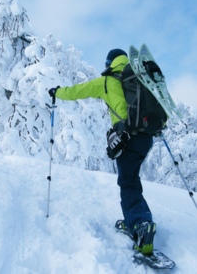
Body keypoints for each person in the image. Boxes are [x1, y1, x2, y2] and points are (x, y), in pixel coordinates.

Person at [49, 49, 156, 255]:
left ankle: (140, 224)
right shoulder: (140, 77)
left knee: (127, 182)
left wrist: (57, 92)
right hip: (147, 137)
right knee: (131, 178)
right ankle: (134, 219)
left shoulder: (106, 82)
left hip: (128, 136)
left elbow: (76, 91)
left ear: (109, 63)